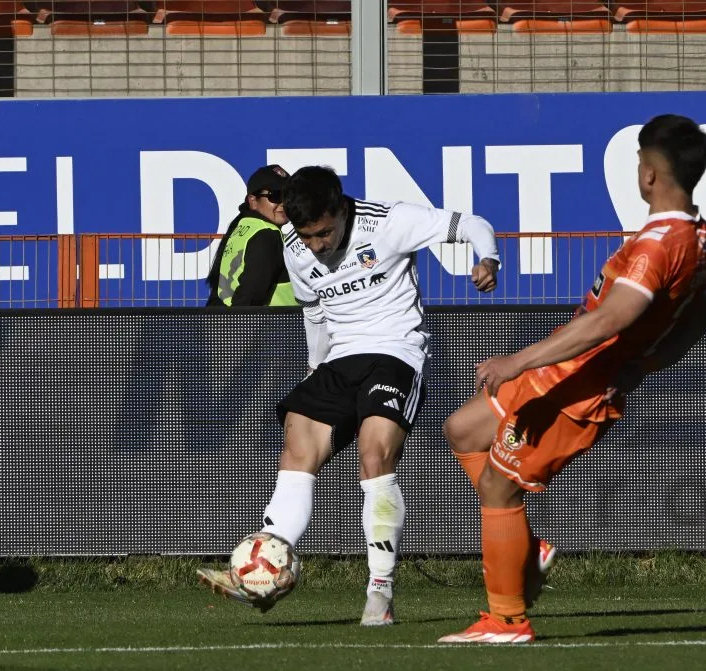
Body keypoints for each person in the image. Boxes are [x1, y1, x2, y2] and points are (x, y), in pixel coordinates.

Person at [437, 114, 706, 644]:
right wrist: (644, 366)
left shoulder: (660, 244)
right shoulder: (700, 236)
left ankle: (507, 619)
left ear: (650, 176)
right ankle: (526, 547)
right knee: (464, 430)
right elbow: (696, 321)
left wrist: (517, 361)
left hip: (576, 386)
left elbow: (610, 319)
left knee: (500, 486)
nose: (638, 172)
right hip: (563, 372)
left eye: (639, 163)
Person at [198, 165, 502, 625]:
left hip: (396, 352)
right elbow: (315, 312)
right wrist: (315, 368)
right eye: (307, 235)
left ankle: (379, 594)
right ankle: (260, 566)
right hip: (340, 359)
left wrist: (488, 259)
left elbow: (471, 224)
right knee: (297, 443)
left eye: (323, 233)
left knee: (373, 455)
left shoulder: (389, 222)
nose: (317, 245)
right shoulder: (296, 246)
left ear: (340, 209)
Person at [205, 164, 297, 307]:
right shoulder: (267, 235)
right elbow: (251, 296)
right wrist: (240, 326)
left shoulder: (242, 227)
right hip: (271, 326)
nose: (284, 203)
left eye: (289, 196)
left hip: (226, 322)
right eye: (276, 196)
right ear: (253, 201)